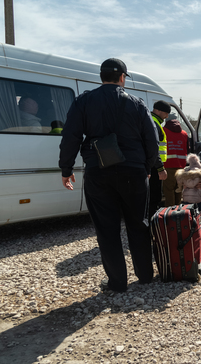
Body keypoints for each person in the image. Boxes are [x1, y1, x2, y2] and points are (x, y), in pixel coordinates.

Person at [59, 58, 158, 292]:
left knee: (106, 229)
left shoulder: (84, 101)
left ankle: (117, 282)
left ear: (101, 76)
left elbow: (71, 136)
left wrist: (66, 169)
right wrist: (147, 168)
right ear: (122, 77)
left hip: (98, 171)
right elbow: (151, 141)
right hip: (134, 172)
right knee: (139, 225)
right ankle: (144, 276)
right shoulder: (137, 103)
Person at [148, 100, 171, 217]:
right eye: (166, 113)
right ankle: (153, 224)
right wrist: (160, 167)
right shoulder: (154, 124)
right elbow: (153, 149)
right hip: (154, 167)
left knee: (152, 197)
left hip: (153, 166)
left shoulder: (153, 121)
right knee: (154, 197)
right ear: (158, 111)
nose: (167, 116)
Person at [162, 118, 192, 206]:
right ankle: (178, 211)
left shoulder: (163, 131)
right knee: (178, 189)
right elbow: (188, 149)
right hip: (181, 166)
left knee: (168, 190)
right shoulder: (184, 133)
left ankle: (170, 212)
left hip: (168, 165)